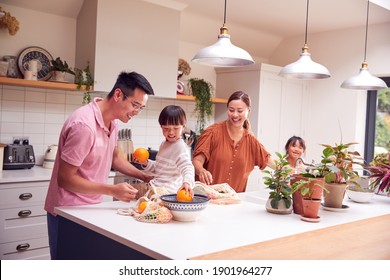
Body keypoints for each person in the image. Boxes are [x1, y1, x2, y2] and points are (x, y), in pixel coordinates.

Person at [44, 71, 154, 259]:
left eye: (141, 108)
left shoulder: (113, 122)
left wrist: (144, 176)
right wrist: (112, 190)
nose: (136, 112)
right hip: (67, 212)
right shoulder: (84, 126)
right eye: (135, 105)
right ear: (118, 95)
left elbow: (115, 158)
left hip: (92, 208)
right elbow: (65, 179)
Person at [192, 91, 273, 193]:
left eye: (240, 111)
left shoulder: (251, 141)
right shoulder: (212, 133)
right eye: (231, 110)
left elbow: (272, 163)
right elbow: (197, 161)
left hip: (234, 203)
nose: (235, 115)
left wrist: (294, 172)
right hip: (207, 199)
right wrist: (202, 171)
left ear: (249, 111)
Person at [135, 105, 195, 196]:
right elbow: (160, 168)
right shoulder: (164, 144)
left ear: (183, 126)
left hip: (168, 193)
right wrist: (146, 163)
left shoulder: (180, 147)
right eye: (166, 129)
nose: (171, 132)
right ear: (161, 127)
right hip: (156, 188)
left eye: (176, 128)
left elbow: (187, 167)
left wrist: (187, 182)